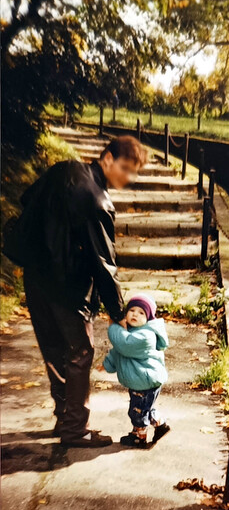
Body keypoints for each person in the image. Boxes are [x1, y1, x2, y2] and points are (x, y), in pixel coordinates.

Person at [20, 135, 148, 447]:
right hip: (68, 288)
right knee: (79, 353)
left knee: (53, 349)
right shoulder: (99, 201)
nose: (128, 178)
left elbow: (27, 199)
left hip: (36, 277)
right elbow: (104, 264)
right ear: (108, 158)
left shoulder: (63, 170)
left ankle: (64, 417)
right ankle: (75, 429)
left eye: (134, 172)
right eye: (126, 168)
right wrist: (118, 312)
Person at [103, 293, 170, 448]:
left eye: (141, 313)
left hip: (145, 381)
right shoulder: (131, 331)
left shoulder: (146, 336)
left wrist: (113, 325)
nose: (135, 314)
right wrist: (107, 365)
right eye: (132, 310)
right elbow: (118, 352)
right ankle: (161, 424)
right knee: (144, 408)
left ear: (148, 319)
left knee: (138, 411)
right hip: (142, 380)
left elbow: (124, 345)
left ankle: (139, 438)